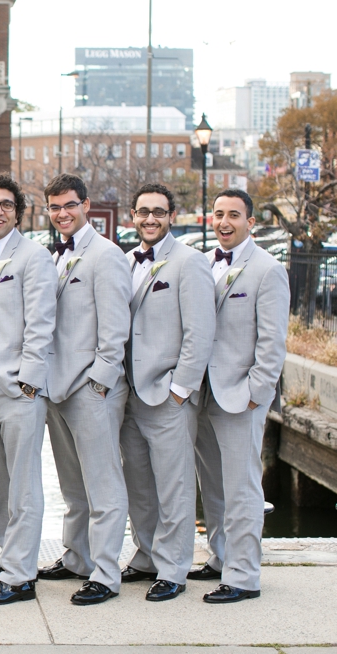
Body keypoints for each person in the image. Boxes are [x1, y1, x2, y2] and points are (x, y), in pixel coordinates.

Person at [0, 174, 57, 606]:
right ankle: (8, 557)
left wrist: (29, 381)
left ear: (17, 213)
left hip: (18, 387)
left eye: (6, 204)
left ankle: (21, 577)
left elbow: (42, 322)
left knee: (23, 485)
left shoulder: (34, 257)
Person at [118, 183, 215, 602]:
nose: (150, 219)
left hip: (168, 395)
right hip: (128, 395)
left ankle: (174, 568)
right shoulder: (125, 262)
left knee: (173, 485)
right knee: (138, 483)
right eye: (143, 212)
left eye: (158, 212)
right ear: (133, 217)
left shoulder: (189, 263)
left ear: (171, 216)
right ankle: (146, 556)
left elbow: (200, 332)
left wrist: (180, 389)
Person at [37, 174, 131, 606]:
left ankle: (107, 574)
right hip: (57, 386)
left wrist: (99, 383)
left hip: (90, 389)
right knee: (73, 487)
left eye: (69, 206)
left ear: (86, 205)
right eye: (55, 207)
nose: (62, 214)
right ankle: (77, 557)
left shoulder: (106, 255)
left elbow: (115, 330)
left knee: (103, 486)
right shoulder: (54, 256)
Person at [192, 189, 289, 603]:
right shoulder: (203, 264)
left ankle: (245, 575)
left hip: (241, 397)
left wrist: (256, 394)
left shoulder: (268, 270)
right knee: (212, 485)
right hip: (203, 394)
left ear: (251, 222)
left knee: (243, 487)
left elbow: (273, 343)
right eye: (218, 214)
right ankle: (221, 557)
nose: (224, 222)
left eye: (234, 214)